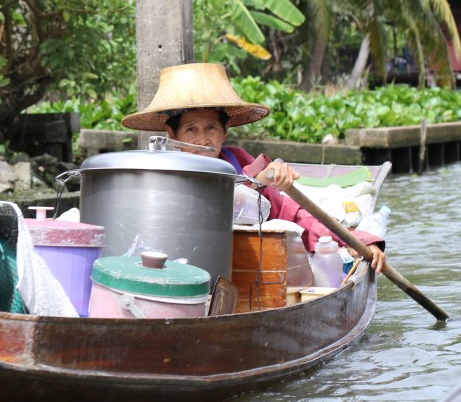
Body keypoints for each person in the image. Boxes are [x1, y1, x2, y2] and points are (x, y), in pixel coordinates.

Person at [120, 62, 387, 273]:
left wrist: (355, 240)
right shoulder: (157, 175)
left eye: (211, 127)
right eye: (191, 129)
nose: (203, 139)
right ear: (172, 134)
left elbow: (297, 217)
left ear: (225, 131)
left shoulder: (244, 167)